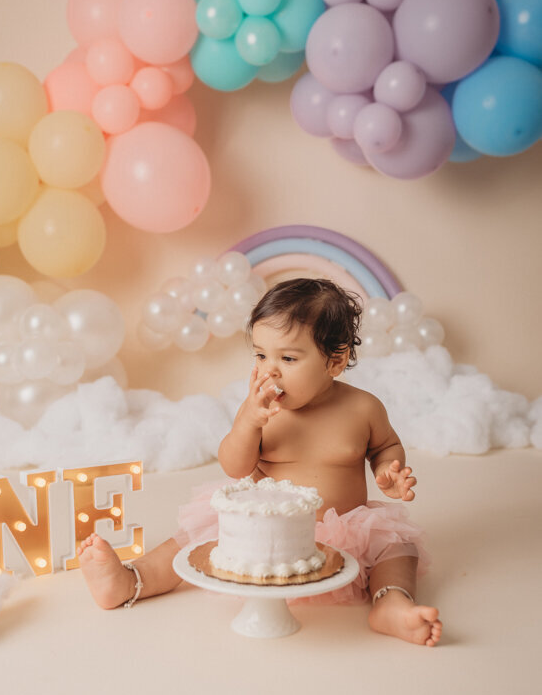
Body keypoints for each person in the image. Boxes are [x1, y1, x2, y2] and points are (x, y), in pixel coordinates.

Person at [78, 277, 442, 647]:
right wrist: (249, 423)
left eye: (287, 358)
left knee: (397, 548)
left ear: (335, 360)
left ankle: (391, 603)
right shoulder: (261, 411)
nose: (270, 370)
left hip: (342, 531)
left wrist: (388, 471)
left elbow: (386, 446)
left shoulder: (363, 408)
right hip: (259, 527)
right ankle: (131, 579)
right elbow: (234, 466)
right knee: (193, 539)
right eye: (260, 355)